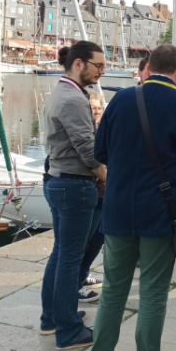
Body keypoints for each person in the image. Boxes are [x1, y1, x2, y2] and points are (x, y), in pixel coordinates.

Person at [91, 45, 176, 351]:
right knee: (152, 294)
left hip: (118, 209)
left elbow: (100, 153)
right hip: (162, 213)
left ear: (148, 68)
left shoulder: (121, 99)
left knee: (112, 291)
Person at [40, 41, 108, 350]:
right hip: (74, 186)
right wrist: (111, 178)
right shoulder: (72, 98)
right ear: (79, 64)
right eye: (98, 65)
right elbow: (88, 151)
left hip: (60, 181)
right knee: (70, 259)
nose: (102, 71)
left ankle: (52, 319)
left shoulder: (63, 92)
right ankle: (68, 331)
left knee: (61, 255)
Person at [76, 90, 108, 302]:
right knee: (85, 240)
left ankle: (83, 273)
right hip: (91, 192)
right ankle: (76, 284)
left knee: (98, 238)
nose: (96, 111)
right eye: (93, 108)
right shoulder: (85, 132)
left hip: (104, 193)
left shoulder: (103, 130)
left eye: (99, 108)